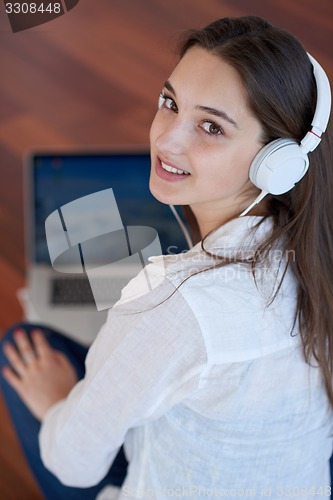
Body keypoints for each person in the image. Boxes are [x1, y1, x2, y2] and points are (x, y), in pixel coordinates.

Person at [0, 15, 332, 499]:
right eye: (170, 103)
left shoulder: (170, 302)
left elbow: (73, 465)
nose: (167, 139)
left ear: (278, 162)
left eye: (211, 127)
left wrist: (54, 403)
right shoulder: (315, 249)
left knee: (21, 343)